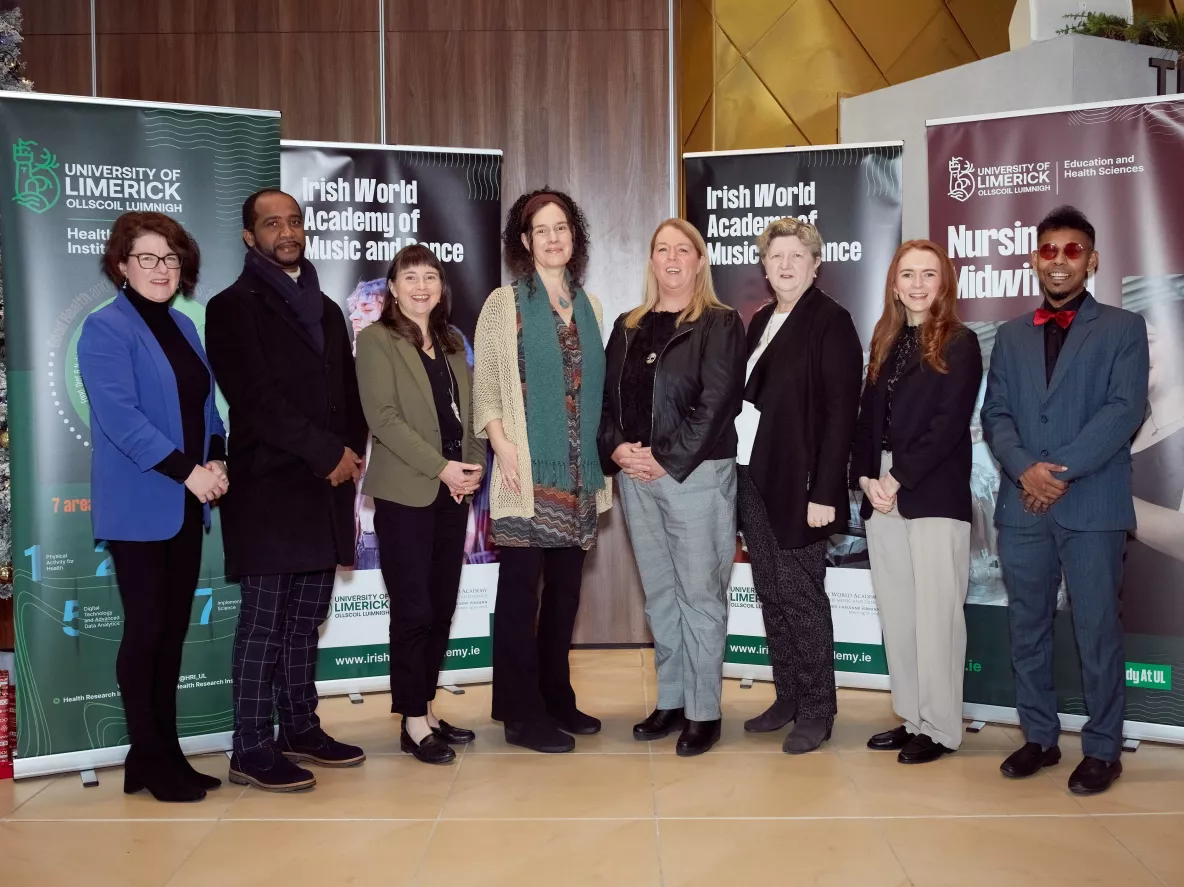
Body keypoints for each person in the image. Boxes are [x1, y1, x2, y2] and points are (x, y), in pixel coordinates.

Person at [981, 205, 1148, 795]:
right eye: (1048, 251)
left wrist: (1060, 472)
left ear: (1092, 260)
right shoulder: (1008, 334)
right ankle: (1040, 738)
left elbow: (1125, 410)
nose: (1059, 261)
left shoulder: (1124, 330)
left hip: (1092, 505)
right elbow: (995, 412)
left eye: (1071, 251)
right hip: (1023, 506)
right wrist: (1027, 470)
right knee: (1027, 627)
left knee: (1097, 629)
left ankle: (1103, 748)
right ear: (1034, 259)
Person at [206, 189, 369, 792]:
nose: (287, 230)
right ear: (250, 237)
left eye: (295, 220)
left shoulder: (326, 308)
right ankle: (250, 747)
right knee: (265, 625)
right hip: (269, 489)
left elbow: (346, 394)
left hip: (324, 489)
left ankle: (300, 727)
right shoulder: (232, 306)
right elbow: (256, 401)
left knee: (307, 621)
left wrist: (348, 452)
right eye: (272, 223)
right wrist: (327, 453)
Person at [78, 211, 228, 803]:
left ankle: (158, 755)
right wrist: (188, 472)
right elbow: (120, 420)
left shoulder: (185, 328)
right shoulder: (105, 329)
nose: (161, 269)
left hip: (188, 502)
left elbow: (207, 409)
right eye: (147, 258)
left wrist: (216, 459)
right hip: (142, 504)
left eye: (170, 258)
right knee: (146, 632)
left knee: (171, 633)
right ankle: (150, 753)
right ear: (122, 266)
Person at [598, 219, 745, 756]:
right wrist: (616, 449)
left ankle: (705, 711)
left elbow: (719, 400)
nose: (673, 258)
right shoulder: (628, 324)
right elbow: (605, 400)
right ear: (651, 260)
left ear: (700, 261)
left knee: (700, 595)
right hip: (636, 477)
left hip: (695, 474)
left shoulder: (720, 323)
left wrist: (667, 457)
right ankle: (673, 699)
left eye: (684, 249)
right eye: (663, 249)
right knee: (661, 595)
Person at [472, 188, 612, 754]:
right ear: (524, 242)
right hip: (524, 471)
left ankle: (556, 696)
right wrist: (504, 448)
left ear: (572, 238)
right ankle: (521, 713)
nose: (553, 238)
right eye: (542, 230)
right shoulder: (502, 305)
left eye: (562, 228)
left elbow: (593, 392)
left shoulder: (591, 306)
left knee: (565, 597)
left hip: (578, 473)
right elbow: (488, 389)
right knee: (518, 596)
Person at [849, 240, 982, 764]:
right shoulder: (885, 340)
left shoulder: (960, 342)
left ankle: (942, 727)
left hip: (930, 491)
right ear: (895, 283)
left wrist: (896, 478)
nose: (919, 284)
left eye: (930, 274)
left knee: (936, 616)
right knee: (899, 614)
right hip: (880, 492)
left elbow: (948, 426)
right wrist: (865, 479)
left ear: (944, 282)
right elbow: (865, 421)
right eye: (909, 274)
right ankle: (912, 718)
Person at [734, 217, 863, 754]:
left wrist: (825, 493)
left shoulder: (831, 321)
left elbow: (840, 417)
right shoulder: (761, 319)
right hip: (754, 478)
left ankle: (817, 709)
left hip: (801, 484)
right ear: (764, 266)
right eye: (775, 257)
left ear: (815, 265)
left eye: (795, 256)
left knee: (803, 596)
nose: (784, 266)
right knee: (772, 592)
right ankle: (787, 695)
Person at [355, 245, 485, 765]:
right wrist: (442, 468)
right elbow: (383, 419)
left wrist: (470, 469)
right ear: (393, 288)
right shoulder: (375, 340)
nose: (422, 286)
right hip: (407, 493)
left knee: (442, 607)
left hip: (453, 493)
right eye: (410, 277)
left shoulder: (453, 344)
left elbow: (472, 412)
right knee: (413, 610)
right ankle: (411, 720)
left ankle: (427, 709)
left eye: (430, 276)